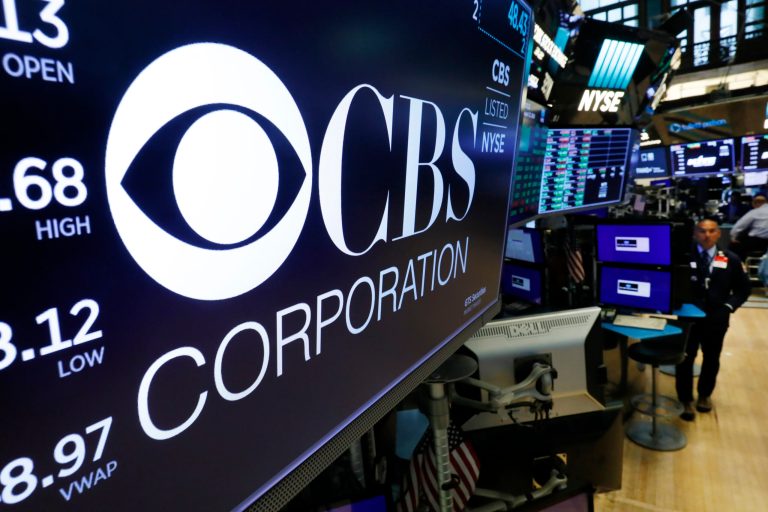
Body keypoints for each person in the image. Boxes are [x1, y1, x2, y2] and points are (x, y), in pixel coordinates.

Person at [676, 217, 751, 421]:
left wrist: (728, 307)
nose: (707, 235)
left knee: (711, 358)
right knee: (684, 358)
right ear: (695, 234)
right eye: (702, 231)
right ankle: (685, 399)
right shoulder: (683, 257)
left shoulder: (730, 259)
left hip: (716, 318)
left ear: (718, 234)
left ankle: (704, 395)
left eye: (711, 231)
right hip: (688, 317)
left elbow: (743, 290)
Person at [729, 193, 768, 260]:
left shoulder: (755, 212)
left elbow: (738, 227)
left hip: (756, 242)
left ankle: (737, 265)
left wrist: (733, 237)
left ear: (755, 203)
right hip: (765, 245)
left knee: (732, 247)